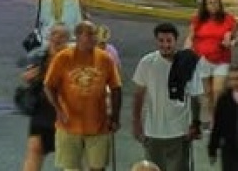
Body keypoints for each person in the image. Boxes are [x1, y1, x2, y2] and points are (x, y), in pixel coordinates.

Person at [43, 21, 122, 171]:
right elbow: (49, 86)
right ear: (78, 36)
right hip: (68, 125)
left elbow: (116, 88)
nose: (94, 38)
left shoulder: (105, 58)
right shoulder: (63, 58)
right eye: (90, 34)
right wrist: (59, 110)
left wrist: (115, 117)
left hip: (99, 124)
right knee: (71, 168)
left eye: (94, 34)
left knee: (98, 167)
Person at [132, 23, 203, 171]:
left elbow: (195, 97)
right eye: (161, 40)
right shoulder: (147, 62)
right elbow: (138, 94)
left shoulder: (188, 64)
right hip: (153, 132)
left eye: (169, 41)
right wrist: (136, 123)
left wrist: (195, 124)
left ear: (175, 41)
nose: (165, 45)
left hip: (179, 132)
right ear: (156, 41)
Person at [20, 24, 71, 171]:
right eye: (54, 34)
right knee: (35, 149)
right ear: (48, 36)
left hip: (66, 111)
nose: (57, 38)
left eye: (61, 35)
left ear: (67, 39)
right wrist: (29, 77)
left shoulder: (73, 58)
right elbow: (27, 75)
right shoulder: (39, 56)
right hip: (42, 110)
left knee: (68, 156)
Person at [184, 0, 236, 127]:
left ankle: (217, 121)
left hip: (221, 59)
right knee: (208, 93)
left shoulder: (228, 19)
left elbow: (234, 36)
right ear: (205, 6)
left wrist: (231, 42)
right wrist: (186, 52)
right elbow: (191, 37)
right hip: (202, 59)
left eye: (216, 2)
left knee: (217, 91)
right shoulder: (198, 20)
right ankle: (213, 118)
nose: (213, 5)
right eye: (210, 3)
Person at [208, 65, 238, 171]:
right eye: (232, 79)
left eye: (237, 79)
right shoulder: (224, 100)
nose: (234, 82)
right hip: (229, 147)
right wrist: (212, 149)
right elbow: (218, 125)